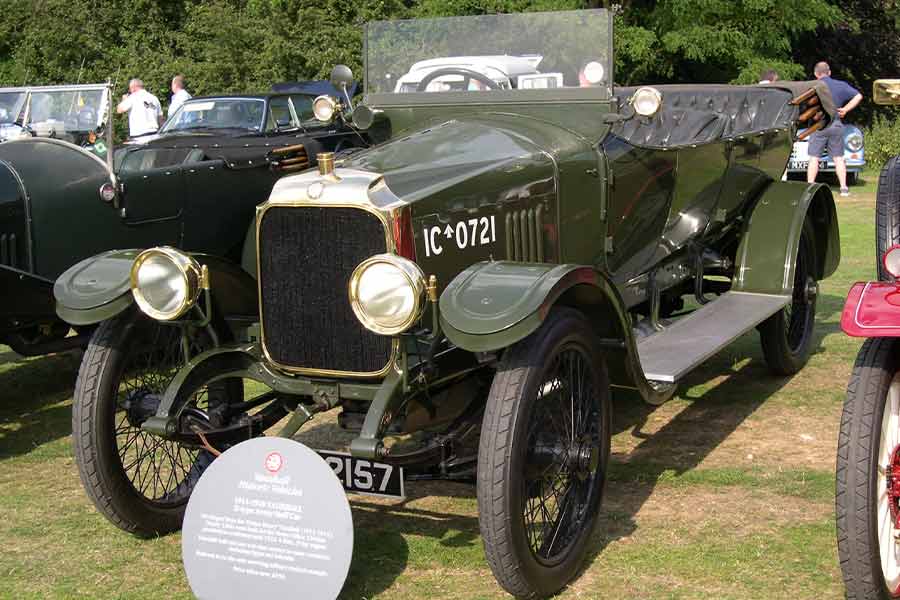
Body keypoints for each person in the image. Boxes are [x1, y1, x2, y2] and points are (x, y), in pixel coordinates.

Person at [806, 61, 863, 197]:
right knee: (839, 158)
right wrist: (845, 109)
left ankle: (809, 186)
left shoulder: (812, 86)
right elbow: (858, 96)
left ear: (816, 74)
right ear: (829, 72)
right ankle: (843, 188)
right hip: (836, 124)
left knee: (814, 158)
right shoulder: (840, 85)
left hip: (819, 125)